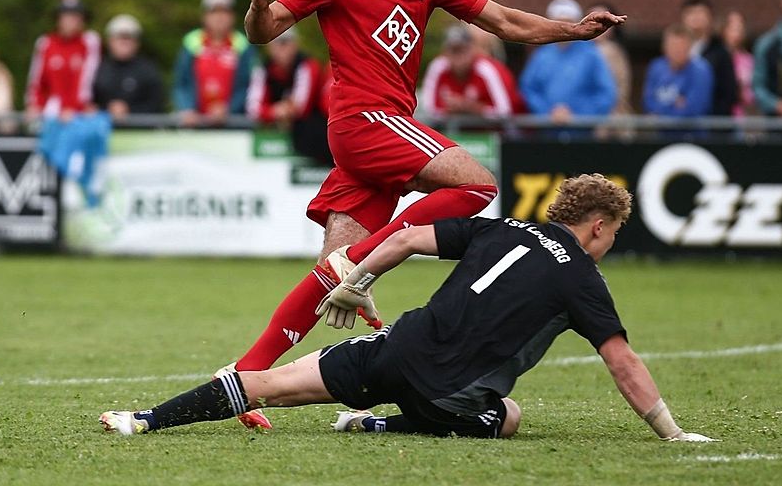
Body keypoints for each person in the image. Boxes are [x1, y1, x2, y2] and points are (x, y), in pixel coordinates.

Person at [231, 0, 625, 429]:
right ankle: (369, 261)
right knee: (479, 184)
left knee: (330, 275)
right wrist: (257, 5)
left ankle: (244, 380)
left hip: (383, 132)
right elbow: (264, 30)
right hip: (365, 121)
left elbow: (503, 21)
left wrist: (573, 31)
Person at [100, 174, 714, 443]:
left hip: (396, 353)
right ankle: (377, 426)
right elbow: (622, 361)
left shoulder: (500, 227)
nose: (609, 245)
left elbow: (407, 237)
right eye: (613, 234)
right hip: (452, 400)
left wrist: (357, 280)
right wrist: (672, 430)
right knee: (508, 417)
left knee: (268, 385)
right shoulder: (583, 277)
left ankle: (144, 419)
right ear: (599, 226)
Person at [519, 0, 617, 126]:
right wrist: (546, 112)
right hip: (547, 130)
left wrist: (579, 116)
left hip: (582, 131)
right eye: (558, 23)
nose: (563, 28)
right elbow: (528, 89)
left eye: (569, 23)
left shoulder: (591, 55)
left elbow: (606, 93)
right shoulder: (541, 55)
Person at [173, 0, 258, 127]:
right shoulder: (191, 42)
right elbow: (181, 83)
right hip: (195, 123)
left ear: (232, 16)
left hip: (233, 124)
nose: (219, 17)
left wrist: (229, 109)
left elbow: (250, 85)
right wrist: (187, 108)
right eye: (214, 12)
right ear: (204, 17)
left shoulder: (242, 44)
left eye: (224, 12)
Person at [248, 26, 332, 164]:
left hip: (313, 131)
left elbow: (301, 107)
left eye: (286, 43)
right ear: (269, 47)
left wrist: (277, 111)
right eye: (277, 43)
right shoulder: (263, 68)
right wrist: (274, 112)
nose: (282, 48)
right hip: (281, 128)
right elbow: (253, 107)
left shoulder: (308, 65)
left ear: (295, 44)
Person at [420, 24, 522, 118]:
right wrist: (450, 110)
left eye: (463, 50)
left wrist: (469, 107)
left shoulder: (486, 69)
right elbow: (428, 111)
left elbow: (504, 112)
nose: (459, 57)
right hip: (453, 129)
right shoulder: (438, 67)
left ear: (472, 49)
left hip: (499, 130)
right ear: (445, 52)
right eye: (454, 51)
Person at [25, 0, 101, 119]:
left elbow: (87, 79)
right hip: (51, 111)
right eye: (67, 15)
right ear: (58, 19)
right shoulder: (45, 43)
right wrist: (34, 104)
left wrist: (74, 107)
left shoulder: (89, 41)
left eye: (76, 16)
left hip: (79, 113)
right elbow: (37, 79)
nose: (71, 20)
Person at [92, 14, 165, 120]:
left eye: (129, 38)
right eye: (120, 38)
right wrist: (104, 109)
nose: (124, 43)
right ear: (110, 41)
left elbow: (157, 105)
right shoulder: (96, 67)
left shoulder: (148, 70)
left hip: (138, 128)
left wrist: (129, 110)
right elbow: (90, 102)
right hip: (102, 127)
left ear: (137, 42)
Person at [680, 0, 737, 115]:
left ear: (710, 18)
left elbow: (728, 92)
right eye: (691, 13)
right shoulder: (674, 52)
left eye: (700, 13)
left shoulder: (720, 53)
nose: (695, 18)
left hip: (710, 121)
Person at [642, 24, 714, 118]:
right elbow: (648, 102)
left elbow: (694, 108)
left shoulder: (701, 70)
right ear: (664, 47)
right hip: (659, 127)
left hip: (689, 128)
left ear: (690, 48)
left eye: (681, 47)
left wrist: (661, 111)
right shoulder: (656, 67)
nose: (677, 51)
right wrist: (674, 104)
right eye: (673, 46)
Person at [587, 1, 633, 115]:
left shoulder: (615, 53)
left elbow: (621, 90)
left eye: (603, 21)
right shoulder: (576, 52)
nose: (597, 25)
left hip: (609, 115)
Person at [721, 10, 758, 117]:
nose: (736, 34)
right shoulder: (717, 58)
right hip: (721, 114)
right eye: (732, 29)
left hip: (742, 115)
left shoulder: (749, 60)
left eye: (739, 29)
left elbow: (753, 90)